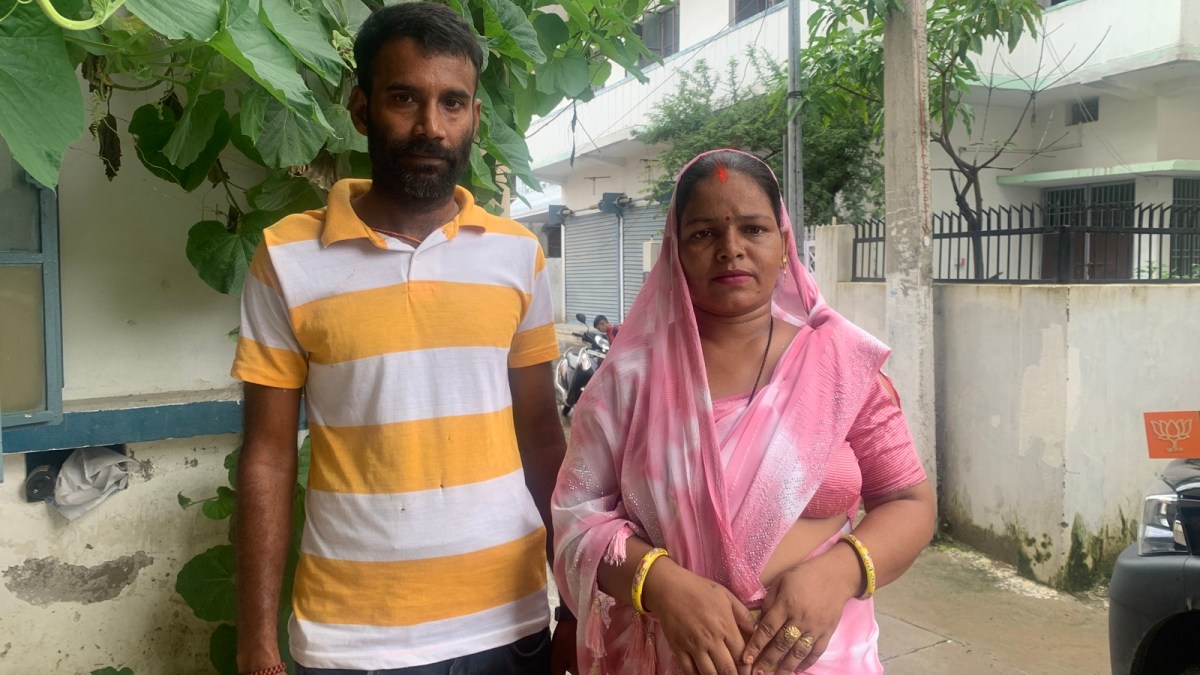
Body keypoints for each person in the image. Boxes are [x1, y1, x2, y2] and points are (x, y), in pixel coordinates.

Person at [231, 4, 572, 674]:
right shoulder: (287, 258)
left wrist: (578, 605)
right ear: (360, 109)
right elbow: (267, 457)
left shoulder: (517, 256)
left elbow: (540, 434)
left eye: (452, 103)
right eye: (403, 99)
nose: (430, 127)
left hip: (509, 624)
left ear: (475, 116)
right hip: (352, 638)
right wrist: (256, 643)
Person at [551, 149, 936, 675]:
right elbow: (577, 520)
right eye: (704, 233)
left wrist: (839, 574)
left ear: (783, 245)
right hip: (670, 657)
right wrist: (661, 584)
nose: (731, 249)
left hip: (824, 656)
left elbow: (909, 501)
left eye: (753, 229)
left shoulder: (841, 364)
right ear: (676, 252)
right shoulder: (629, 380)